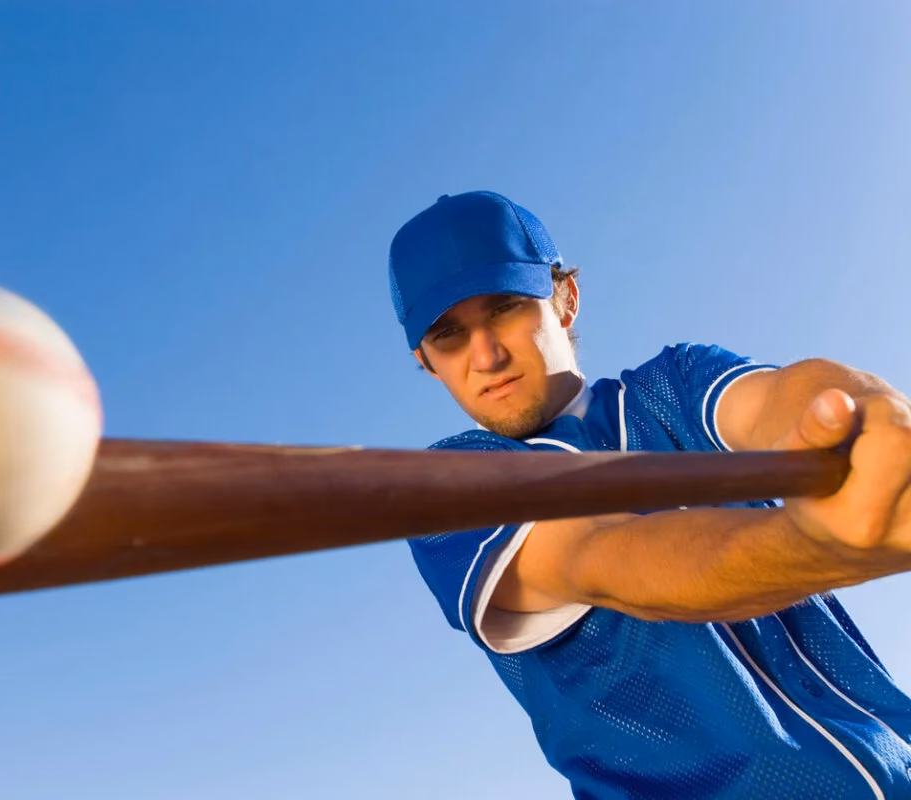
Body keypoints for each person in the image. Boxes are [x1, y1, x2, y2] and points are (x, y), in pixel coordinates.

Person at [387, 190, 911, 799]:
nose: (486, 356)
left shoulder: (675, 385)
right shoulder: (448, 489)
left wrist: (870, 422)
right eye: (449, 335)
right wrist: (823, 545)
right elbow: (614, 558)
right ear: (427, 361)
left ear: (565, 299)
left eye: (505, 307)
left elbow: (783, 398)